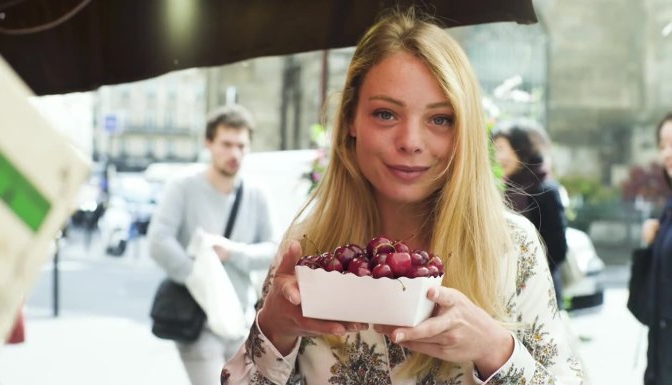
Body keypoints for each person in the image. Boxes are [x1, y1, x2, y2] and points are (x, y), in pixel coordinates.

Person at [221, 8, 583, 385]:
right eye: (385, 114)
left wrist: (495, 350)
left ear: (466, 132)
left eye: (440, 119)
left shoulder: (511, 248)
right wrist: (274, 331)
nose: (410, 142)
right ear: (349, 121)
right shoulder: (306, 251)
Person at [147, 104, 277, 385]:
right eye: (227, 144)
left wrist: (233, 252)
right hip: (198, 321)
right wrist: (198, 277)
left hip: (241, 322)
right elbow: (158, 240)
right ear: (209, 143)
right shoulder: (183, 186)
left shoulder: (256, 193)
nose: (234, 153)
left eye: (241, 146)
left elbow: (273, 249)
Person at [492, 122, 568, 309]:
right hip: (508, 295)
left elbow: (557, 250)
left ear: (520, 149)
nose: (498, 157)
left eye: (502, 148)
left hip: (539, 296)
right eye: (495, 150)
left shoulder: (545, 191)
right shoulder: (508, 189)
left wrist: (526, 276)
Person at [641, 112, 672, 385]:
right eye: (663, 145)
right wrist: (650, 244)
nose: (667, 154)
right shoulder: (668, 208)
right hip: (662, 346)